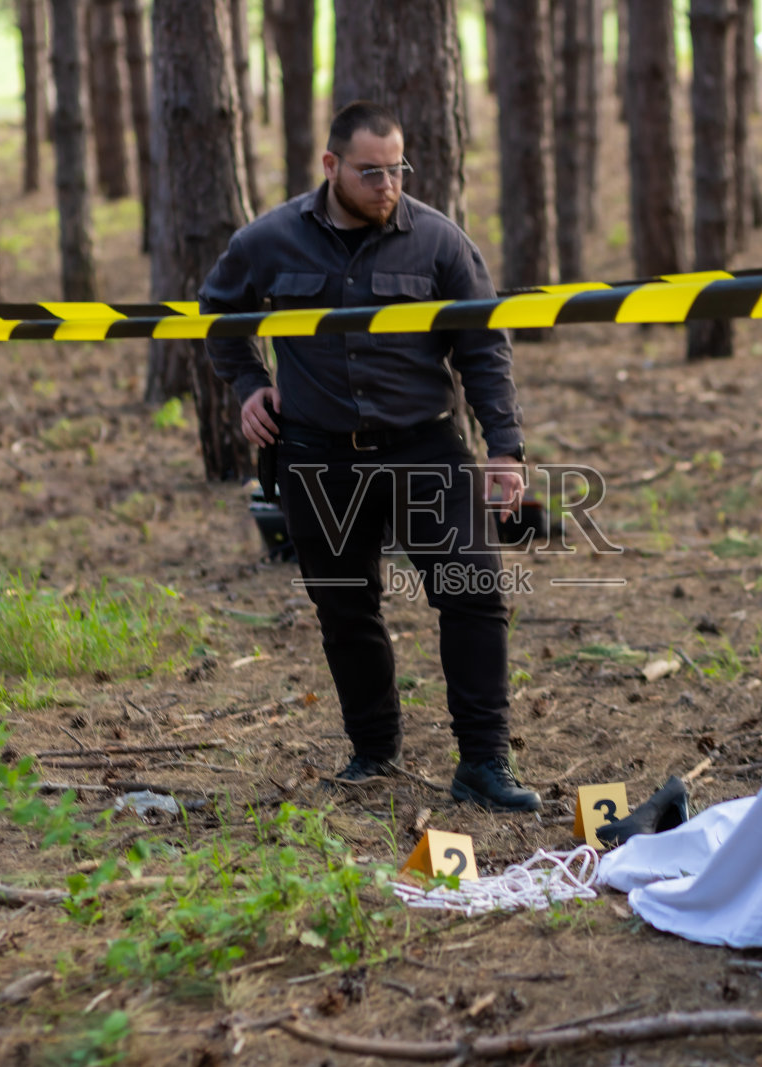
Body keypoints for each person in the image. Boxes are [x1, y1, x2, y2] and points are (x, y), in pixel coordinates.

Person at [200, 101, 540, 813]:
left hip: (423, 449)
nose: (388, 185)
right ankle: (375, 750)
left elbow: (483, 349)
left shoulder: (440, 243)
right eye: (370, 172)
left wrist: (505, 451)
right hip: (317, 457)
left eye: (397, 169)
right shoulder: (270, 240)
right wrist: (251, 384)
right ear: (330, 166)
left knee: (474, 595)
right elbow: (216, 313)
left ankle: (484, 760)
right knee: (346, 609)